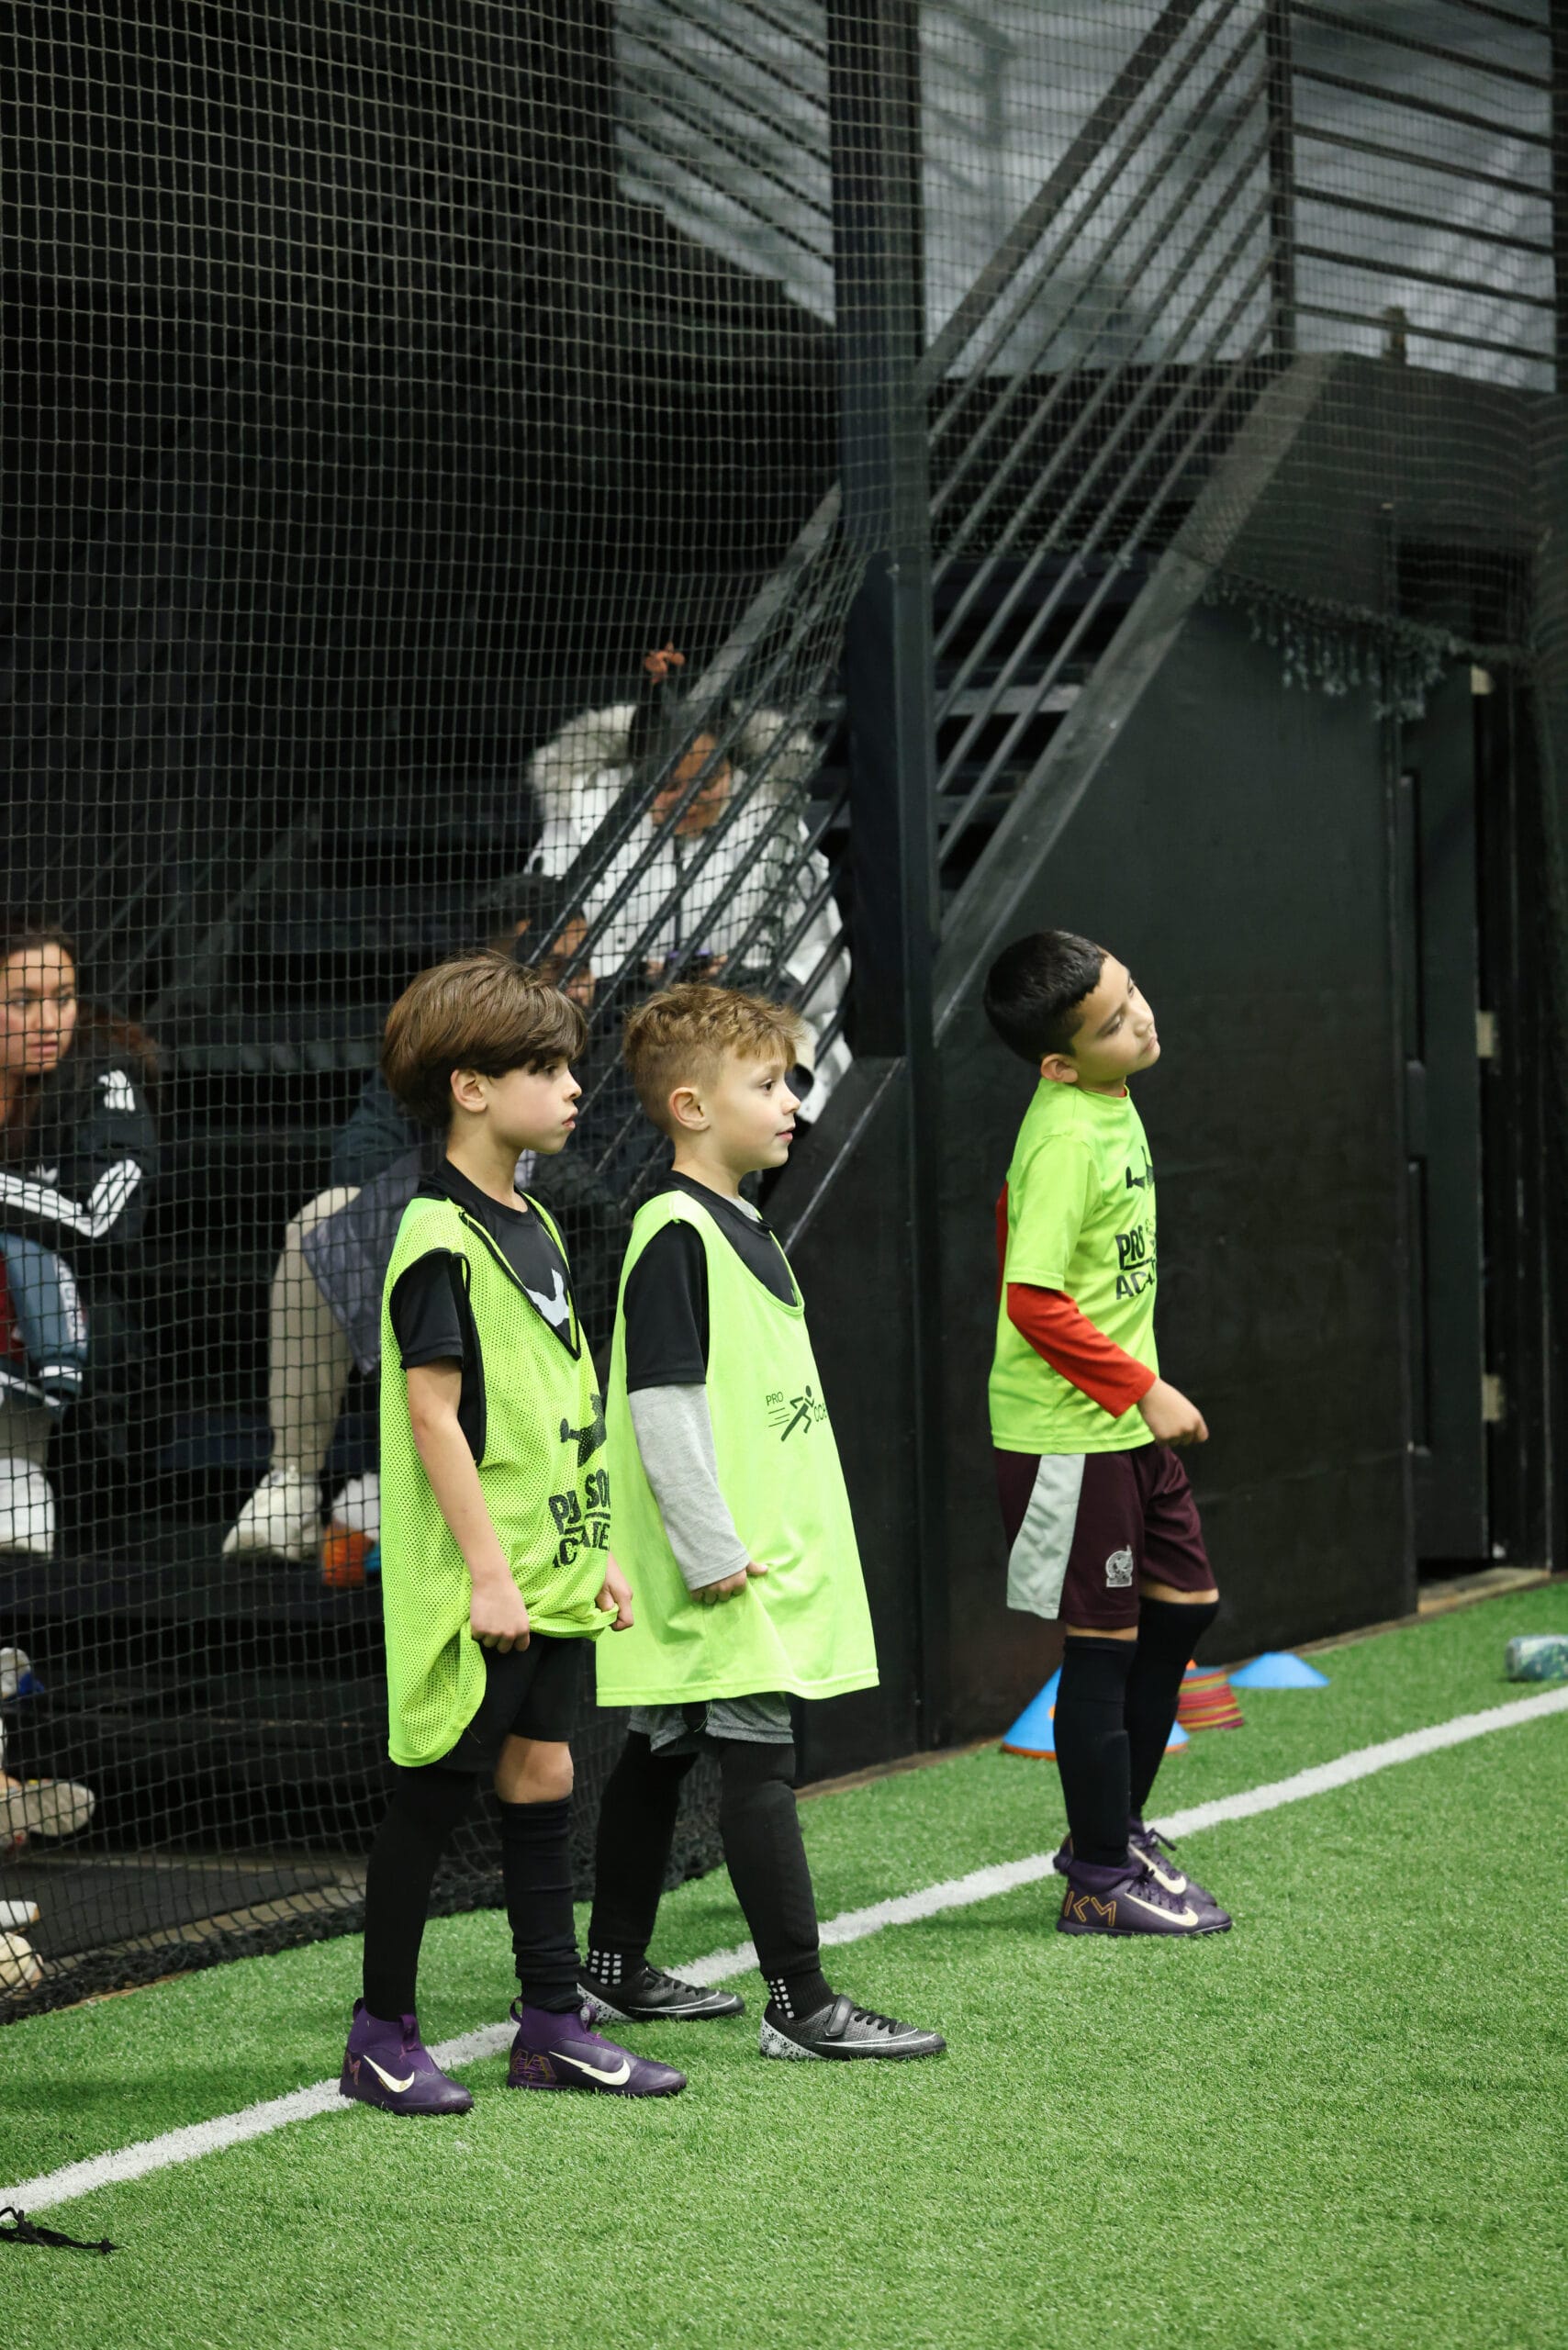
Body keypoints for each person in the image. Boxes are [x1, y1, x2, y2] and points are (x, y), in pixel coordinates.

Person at [341, 949, 684, 2113]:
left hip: (556, 1573)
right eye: (542, 1067)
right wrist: (488, 1576)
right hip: (482, 1589)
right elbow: (433, 1416)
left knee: (543, 1777)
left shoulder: (530, 1216)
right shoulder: (436, 1234)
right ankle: (381, 2032)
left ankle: (550, 2023)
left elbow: (559, 1413)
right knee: (432, 1798)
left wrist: (603, 1559)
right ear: (469, 1088)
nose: (571, 1086)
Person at [584, 983, 946, 2061]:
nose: (792, 1101)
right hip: (715, 1570)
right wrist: (708, 1550)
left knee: (658, 1751)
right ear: (691, 1106)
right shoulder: (675, 1230)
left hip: (736, 1564)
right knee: (756, 1762)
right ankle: (802, 2003)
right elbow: (659, 1404)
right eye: (768, 1083)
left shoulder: (741, 1224)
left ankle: (610, 1969)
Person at [222, 880, 624, 1577]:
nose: (578, 988)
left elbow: (611, 1199)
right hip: (442, 1239)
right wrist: (471, 1176)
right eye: (555, 969)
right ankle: (293, 1480)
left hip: (568, 1286)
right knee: (326, 1219)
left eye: (583, 967)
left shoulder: (612, 1043)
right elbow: (358, 1155)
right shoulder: (444, 1050)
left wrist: (518, 1178)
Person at [984, 932, 1231, 1937]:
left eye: (1134, 994)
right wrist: (1142, 1387)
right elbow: (1032, 1298)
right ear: (1059, 1061)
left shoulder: (1110, 1100)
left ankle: (1118, 1824)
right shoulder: (1064, 1138)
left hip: (1119, 1423)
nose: (1142, 1018)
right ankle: (1097, 1875)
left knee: (1187, 1606)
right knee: (1102, 1645)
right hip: (1069, 1435)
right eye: (1115, 1021)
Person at [527, 645, 851, 1118]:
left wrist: (753, 986)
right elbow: (538, 950)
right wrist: (636, 980)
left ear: (730, 762)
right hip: (618, 1048)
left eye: (707, 780)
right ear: (638, 772)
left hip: (750, 1040)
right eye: (668, 785)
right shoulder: (584, 818)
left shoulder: (769, 820)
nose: (686, 801)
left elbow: (822, 959)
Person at [0, 918, 159, 1557]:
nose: (48, 1021)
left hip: (91, 1364)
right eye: (23, 1002)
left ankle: (17, 1472)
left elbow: (103, 1219)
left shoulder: (104, 1082)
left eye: (62, 999)